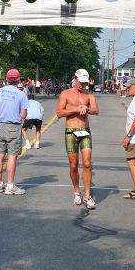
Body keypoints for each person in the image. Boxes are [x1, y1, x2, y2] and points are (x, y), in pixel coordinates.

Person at [57, 68, 99, 209]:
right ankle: (77, 191)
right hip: (70, 131)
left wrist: (86, 109)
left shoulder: (89, 95)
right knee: (73, 164)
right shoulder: (65, 93)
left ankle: (87, 195)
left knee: (87, 163)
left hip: (85, 130)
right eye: (81, 82)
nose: (83, 85)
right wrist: (75, 109)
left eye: (85, 82)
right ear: (75, 79)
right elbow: (59, 113)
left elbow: (96, 110)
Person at [0, 69, 29, 195]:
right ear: (18, 80)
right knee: (12, 155)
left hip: (0, 125)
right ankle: (10, 185)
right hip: (13, 126)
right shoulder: (21, 94)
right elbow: (23, 114)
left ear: (7, 79)